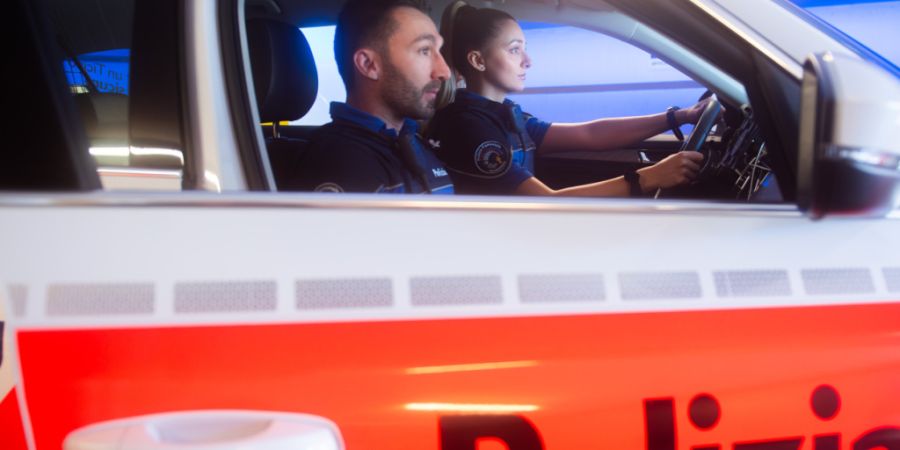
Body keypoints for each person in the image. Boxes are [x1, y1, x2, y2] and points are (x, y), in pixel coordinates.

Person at [427, 2, 713, 197]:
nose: (528, 61)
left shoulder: (502, 113)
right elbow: (542, 203)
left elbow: (590, 134)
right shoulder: (467, 125)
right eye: (515, 50)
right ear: (477, 60)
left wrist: (678, 117)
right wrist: (648, 178)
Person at [284, 0, 454, 194]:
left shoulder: (411, 139)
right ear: (368, 65)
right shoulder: (344, 166)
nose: (445, 71)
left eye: (438, 51)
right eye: (424, 50)